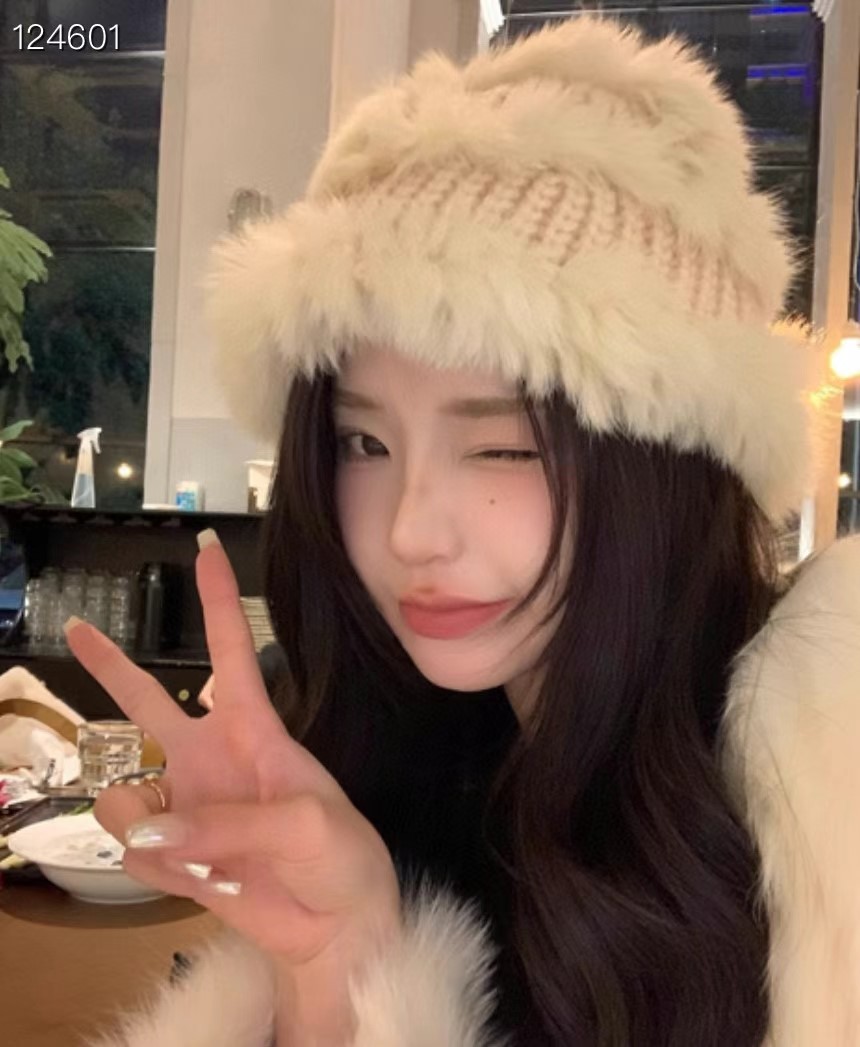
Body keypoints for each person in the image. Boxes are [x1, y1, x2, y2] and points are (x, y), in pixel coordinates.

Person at [65, 16, 860, 1047]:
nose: (409, 532)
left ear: (665, 471)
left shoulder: (823, 796)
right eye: (362, 444)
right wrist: (339, 970)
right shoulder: (391, 764)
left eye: (502, 448)